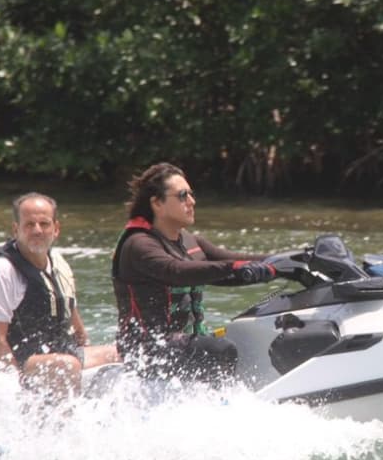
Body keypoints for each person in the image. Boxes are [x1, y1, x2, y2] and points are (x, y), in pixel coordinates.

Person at [111, 162, 277, 383]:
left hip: (184, 343)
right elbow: (176, 271)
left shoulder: (188, 241)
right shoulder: (138, 244)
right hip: (148, 350)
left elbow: (231, 260)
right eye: (182, 195)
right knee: (219, 349)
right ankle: (220, 406)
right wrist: (235, 267)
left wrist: (292, 260)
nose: (192, 201)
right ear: (157, 203)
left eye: (191, 194)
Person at [0, 192, 118, 400]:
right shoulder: (2, 270)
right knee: (65, 366)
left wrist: (84, 352)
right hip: (8, 362)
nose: (37, 230)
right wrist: (18, 382)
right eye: (29, 224)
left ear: (56, 229)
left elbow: (76, 326)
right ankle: (62, 429)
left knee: (122, 353)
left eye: (44, 223)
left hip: (57, 353)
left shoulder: (59, 263)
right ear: (16, 229)